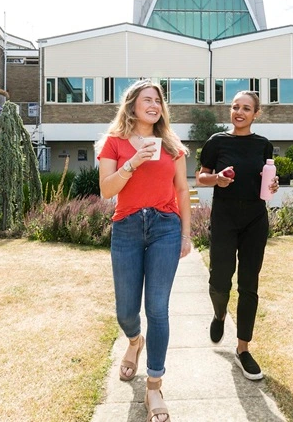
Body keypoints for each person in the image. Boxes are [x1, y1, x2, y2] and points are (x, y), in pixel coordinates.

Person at [96, 79, 191, 422]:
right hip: (128, 228)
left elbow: (182, 191)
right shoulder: (114, 143)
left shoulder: (171, 144)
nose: (154, 105)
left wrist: (185, 234)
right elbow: (107, 190)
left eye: (158, 101)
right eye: (147, 99)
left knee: (158, 309)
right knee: (125, 311)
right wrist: (133, 161)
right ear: (132, 104)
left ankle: (154, 383)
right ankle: (134, 341)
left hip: (165, 228)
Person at [196, 90, 279, 381]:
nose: (239, 112)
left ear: (256, 113)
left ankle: (243, 348)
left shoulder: (263, 145)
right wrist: (217, 179)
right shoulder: (217, 142)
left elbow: (267, 180)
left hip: (255, 218)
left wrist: (273, 185)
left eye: (246, 108)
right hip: (225, 217)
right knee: (220, 279)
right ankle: (219, 314)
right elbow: (201, 176)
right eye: (235, 107)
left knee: (249, 283)